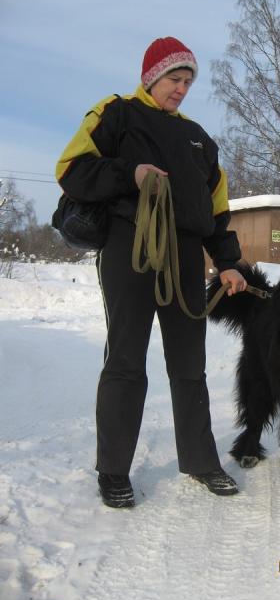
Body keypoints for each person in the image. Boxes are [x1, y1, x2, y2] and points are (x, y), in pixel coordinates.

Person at [55, 36, 247, 508]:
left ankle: (201, 461)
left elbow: (216, 210)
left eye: (187, 81)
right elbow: (71, 169)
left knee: (190, 364)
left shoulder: (200, 139)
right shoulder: (117, 113)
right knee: (125, 360)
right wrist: (129, 174)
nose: (180, 89)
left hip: (184, 256)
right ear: (151, 77)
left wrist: (228, 262)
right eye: (173, 79)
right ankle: (113, 470)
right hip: (129, 248)